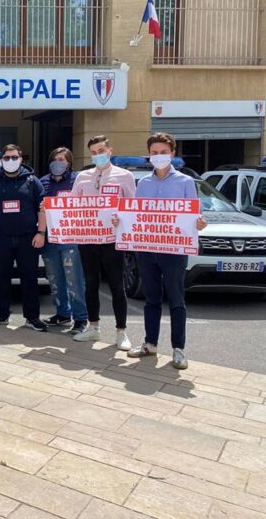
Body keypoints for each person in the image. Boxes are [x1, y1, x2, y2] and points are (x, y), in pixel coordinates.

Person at [126, 132, 206, 369]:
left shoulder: (185, 182)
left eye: (163, 152)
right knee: (151, 299)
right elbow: (136, 216)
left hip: (174, 250)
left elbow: (194, 215)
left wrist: (200, 223)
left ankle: (178, 349)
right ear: (148, 155)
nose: (159, 156)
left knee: (176, 299)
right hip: (147, 249)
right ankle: (150, 343)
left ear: (172, 154)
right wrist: (121, 222)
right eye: (154, 153)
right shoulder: (144, 183)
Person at [70, 135, 136, 350]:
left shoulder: (124, 176)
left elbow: (133, 207)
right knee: (90, 284)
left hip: (112, 239)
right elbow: (71, 206)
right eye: (94, 152)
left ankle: (121, 332)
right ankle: (93, 328)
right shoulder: (83, 176)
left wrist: (122, 219)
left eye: (101, 150)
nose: (98, 155)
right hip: (87, 239)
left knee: (117, 286)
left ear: (110, 150)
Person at [0, 144, 48, 332]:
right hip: (0, 238)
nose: (10, 161)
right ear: (1, 161)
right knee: (1, 278)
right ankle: (1, 315)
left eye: (14, 157)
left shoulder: (33, 182)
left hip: (28, 239)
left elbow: (42, 209)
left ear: (21, 159)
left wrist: (41, 233)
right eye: (7, 158)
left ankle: (32, 317)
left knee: (29, 279)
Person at [40, 147, 88, 334]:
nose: (58, 162)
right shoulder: (43, 181)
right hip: (50, 239)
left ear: (69, 162)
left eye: (62, 159)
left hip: (71, 238)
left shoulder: (79, 180)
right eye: (55, 159)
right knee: (54, 278)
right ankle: (62, 313)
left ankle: (81, 317)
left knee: (74, 279)